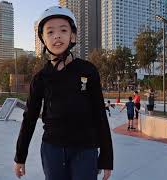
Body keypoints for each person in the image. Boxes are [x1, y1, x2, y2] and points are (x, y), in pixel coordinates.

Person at [13, 6, 113, 180]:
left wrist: (106, 157)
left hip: (85, 148)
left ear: (72, 36)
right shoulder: (41, 78)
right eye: (50, 32)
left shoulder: (88, 70)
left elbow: (99, 114)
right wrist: (20, 157)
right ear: (43, 39)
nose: (57, 35)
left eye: (63, 30)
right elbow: (29, 117)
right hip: (53, 149)